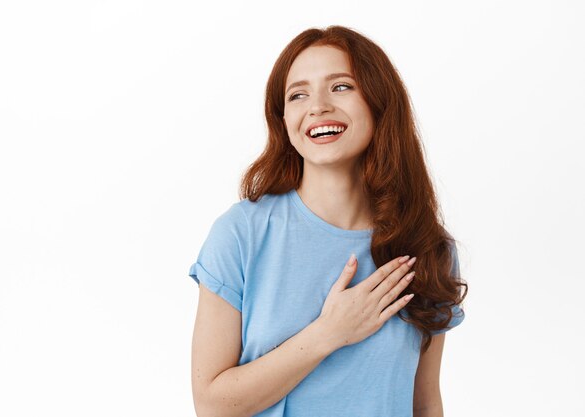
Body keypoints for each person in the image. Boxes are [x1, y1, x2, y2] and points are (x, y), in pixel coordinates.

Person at [187, 25, 468, 417]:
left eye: (340, 87)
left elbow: (424, 403)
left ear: (379, 102)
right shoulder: (242, 234)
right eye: (298, 94)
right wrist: (329, 333)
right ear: (283, 119)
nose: (316, 106)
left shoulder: (426, 246)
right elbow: (212, 406)